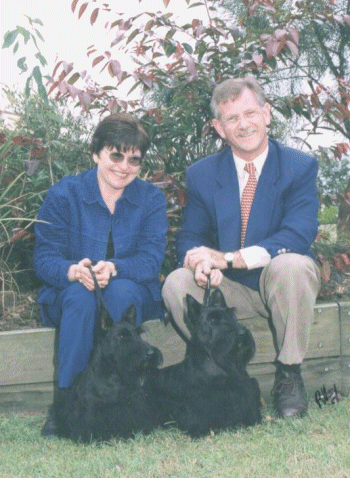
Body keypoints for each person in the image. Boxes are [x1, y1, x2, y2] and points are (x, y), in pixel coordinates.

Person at [162, 77, 321, 418]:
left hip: (281, 284)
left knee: (293, 263)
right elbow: (190, 235)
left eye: (250, 113)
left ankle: (289, 374)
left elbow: (298, 233)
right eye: (232, 118)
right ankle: (222, 374)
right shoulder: (203, 174)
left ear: (267, 114)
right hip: (228, 291)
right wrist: (198, 262)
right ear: (219, 128)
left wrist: (229, 258)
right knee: (177, 283)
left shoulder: (299, 167)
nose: (244, 124)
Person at [34, 112, 168, 436]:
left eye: (134, 160)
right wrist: (71, 270)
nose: (124, 167)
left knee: (121, 293)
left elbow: (151, 260)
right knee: (81, 297)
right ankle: (66, 404)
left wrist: (116, 266)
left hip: (128, 291)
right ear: (96, 153)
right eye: (116, 155)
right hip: (70, 294)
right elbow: (44, 257)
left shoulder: (151, 199)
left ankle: (123, 398)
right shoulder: (63, 195)